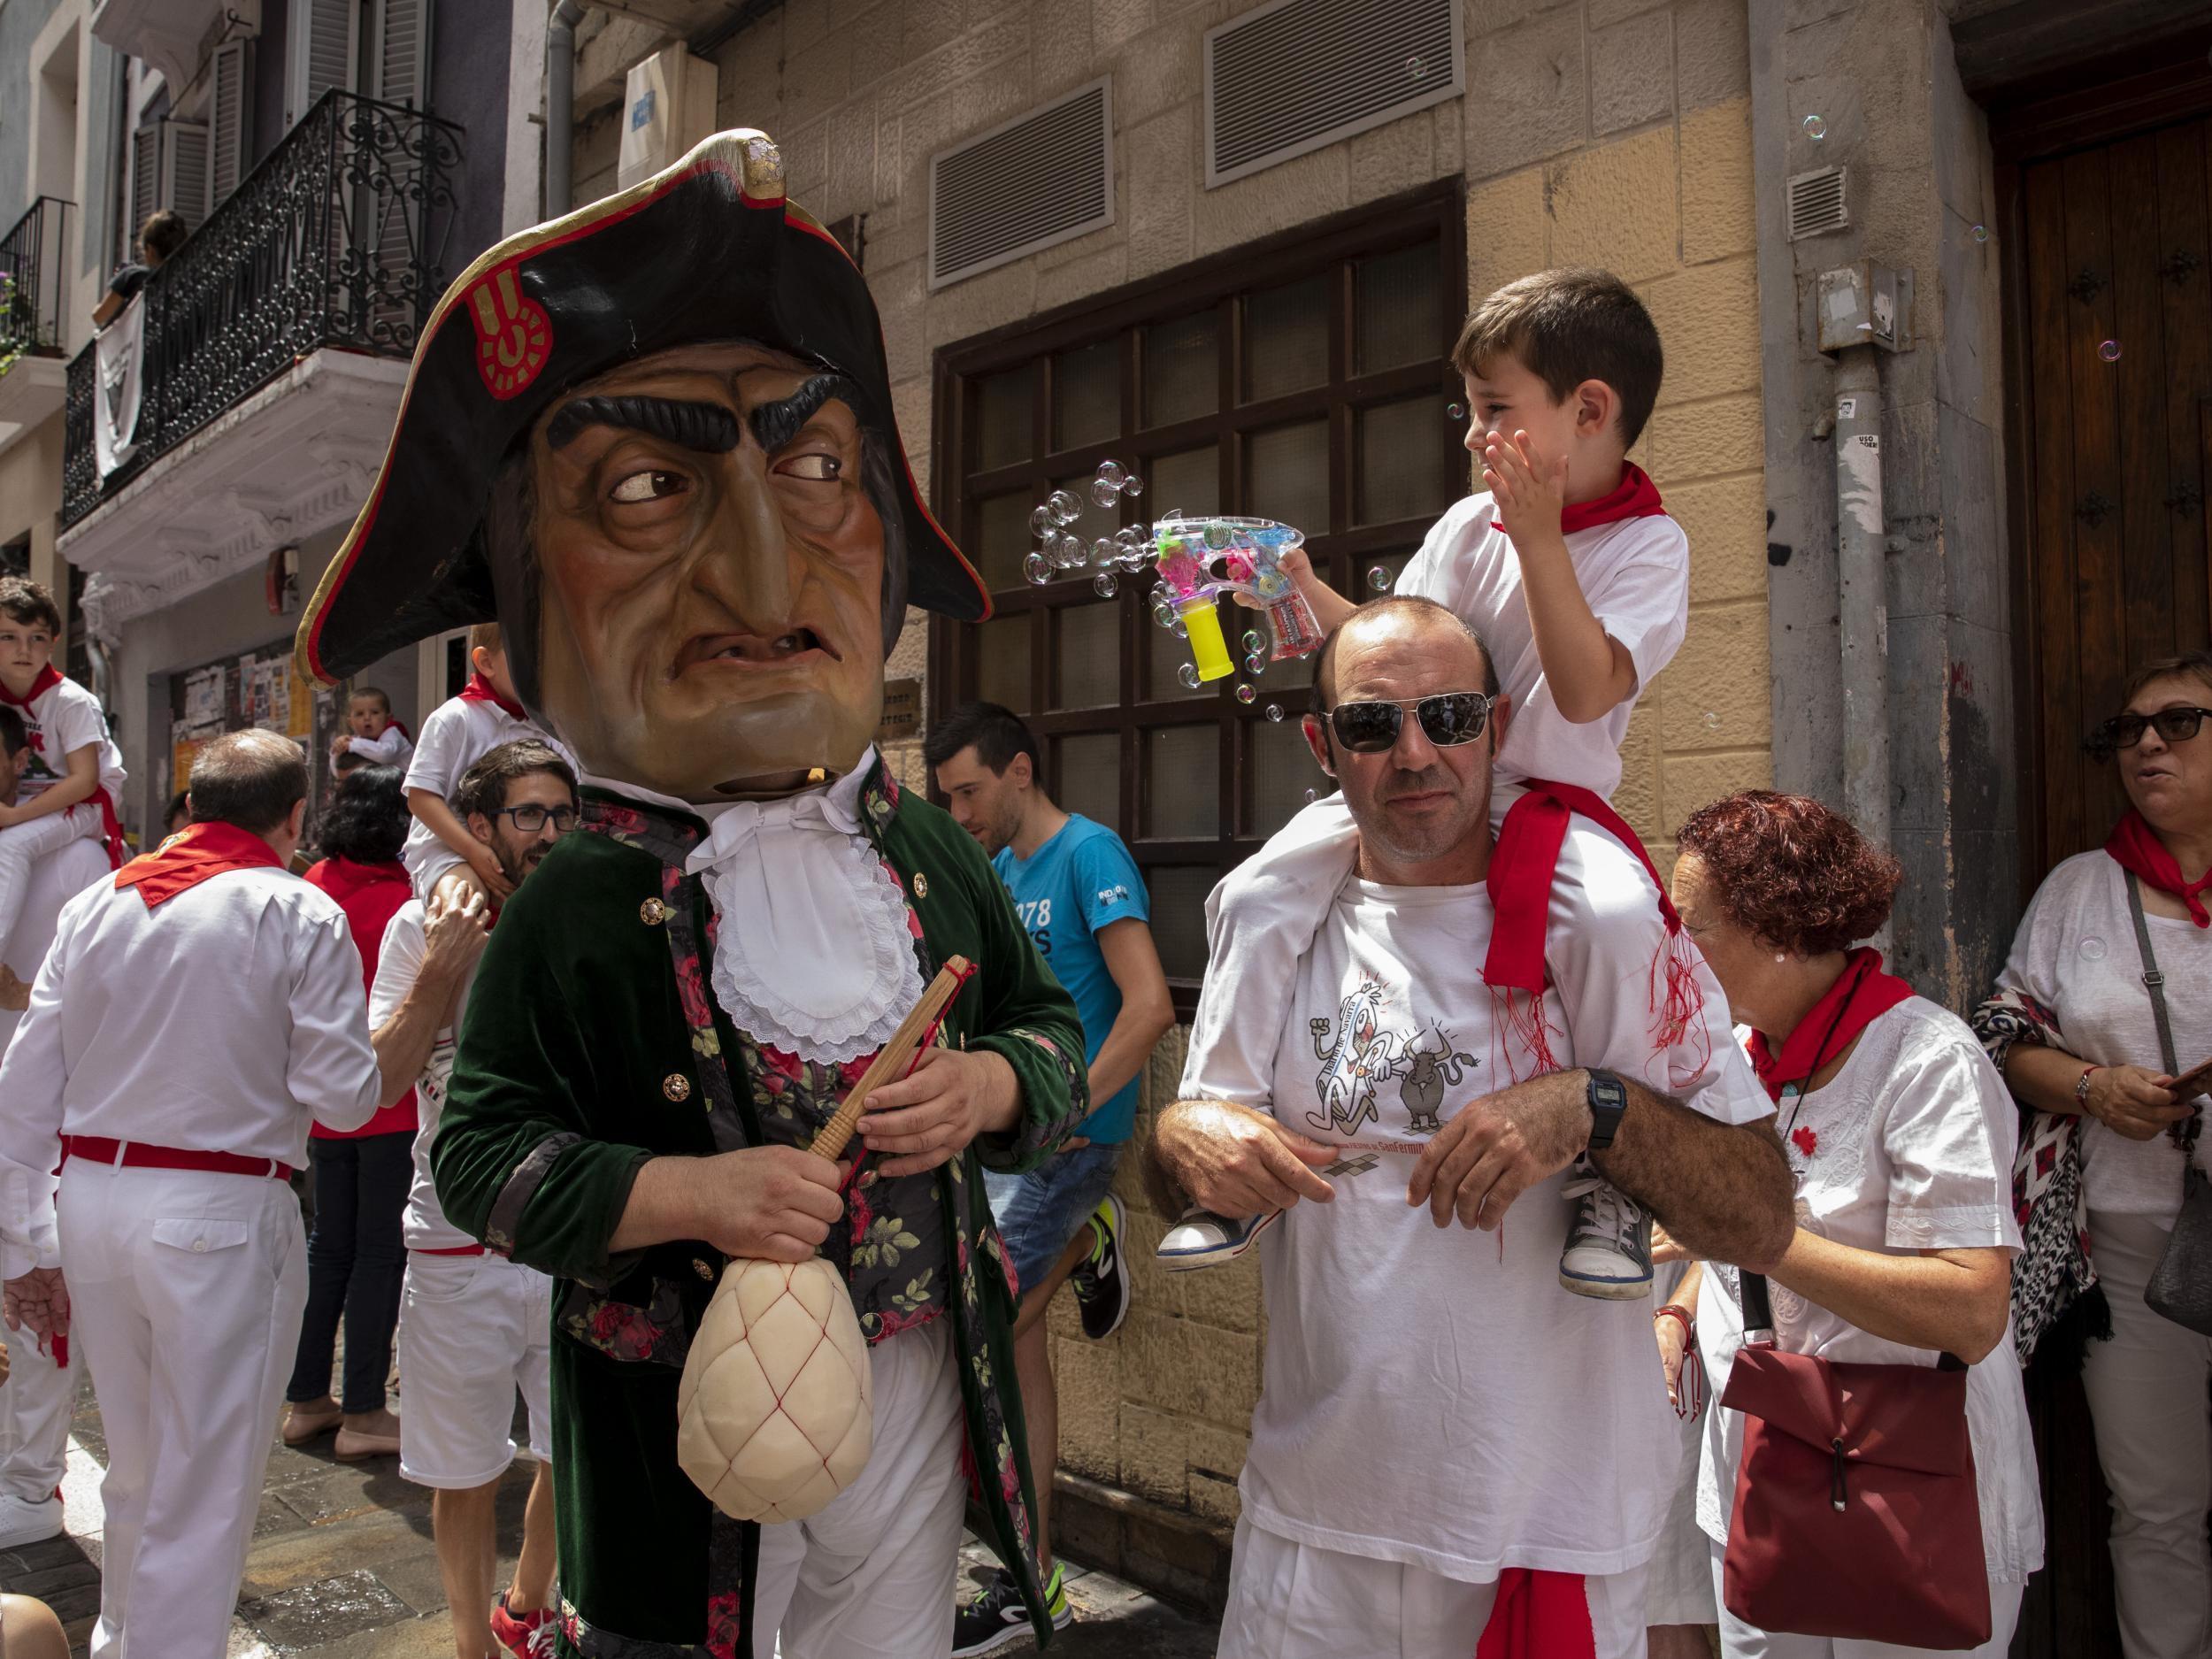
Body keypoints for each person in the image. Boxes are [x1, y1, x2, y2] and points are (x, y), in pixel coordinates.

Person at [294, 129, 1089, 1659]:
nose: (766, 568)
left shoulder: (925, 854)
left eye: (814, 471)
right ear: (518, 619)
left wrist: (992, 1083)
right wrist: (684, 1197)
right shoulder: (580, 898)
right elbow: (481, 1154)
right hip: (683, 1436)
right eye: (651, 487)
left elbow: (1053, 1027)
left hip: (918, 1389)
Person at [1152, 597, 1791, 1659]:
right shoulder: (1278, 915)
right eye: (1371, 725)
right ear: (1323, 746)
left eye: (1447, 717)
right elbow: (1187, 1171)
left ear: (1495, 726)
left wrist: (1595, 1108)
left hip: (1547, 1531)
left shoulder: (1602, 922)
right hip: (1314, 1536)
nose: (1414, 753)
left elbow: (1762, 1215)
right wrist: (1175, 1144)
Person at [1200, 267, 1688, 1302]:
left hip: (1546, 808)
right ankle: (1224, 1134)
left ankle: (1615, 1180)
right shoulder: (1473, 529)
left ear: (1588, 410)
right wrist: (1296, 583)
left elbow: (1587, 685)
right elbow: (1399, 641)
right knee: (1252, 894)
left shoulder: (1652, 546)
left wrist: (1543, 536)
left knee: (1611, 919)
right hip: (1427, 776)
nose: (1471, 437)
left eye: (1493, 411)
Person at [0, 728, 380, 1658]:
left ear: (193, 804)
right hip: (217, 1211)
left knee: (140, 1467)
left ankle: (124, 1638)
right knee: (202, 1492)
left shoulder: (95, 905)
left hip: (92, 1201)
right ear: (295, 818)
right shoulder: (296, 911)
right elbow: (344, 1094)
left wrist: (23, 1244)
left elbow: (22, 1092)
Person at [1665, 790, 2043, 1656]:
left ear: (1780, 933)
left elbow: (1970, 1309)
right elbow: (1753, 1236)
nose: (1673, 951)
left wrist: (1754, 1239)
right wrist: (1683, 1304)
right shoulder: (1737, 1054)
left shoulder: (1926, 1063)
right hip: (1764, 1494)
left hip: (1910, 1501)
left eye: (1694, 927)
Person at [1973, 649, 2212, 1659]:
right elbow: (1998, 1033)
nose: (2147, 744)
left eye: (2179, 722)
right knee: (2154, 1506)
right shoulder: (2081, 890)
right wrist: (2091, 1089)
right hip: (2125, 1240)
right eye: (2129, 730)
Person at [927, 702, 1173, 1655]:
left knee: (983, 1329)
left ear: (1020, 771)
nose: (958, 814)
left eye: (969, 792)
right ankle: (1033, 1580)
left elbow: (1147, 1006)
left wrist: (1064, 1108)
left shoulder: (1089, 855)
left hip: (1069, 1146)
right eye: (944, 798)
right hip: (1002, 1150)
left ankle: (1085, 1235)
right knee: (1014, 1349)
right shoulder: (992, 872)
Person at [372, 741, 573, 1659]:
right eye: (530, 814)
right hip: (453, 1242)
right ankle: (468, 1642)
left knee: (571, 1451)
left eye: (564, 814)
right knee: (461, 1469)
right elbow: (381, 1081)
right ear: (482, 828)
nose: (550, 832)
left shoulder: (596, 919)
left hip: (569, 1232)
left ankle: (526, 1608)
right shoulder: (422, 925)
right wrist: (443, 971)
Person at [281, 764, 418, 1459]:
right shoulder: (409, 895)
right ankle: (365, 1409)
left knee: (327, 1247)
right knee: (378, 1255)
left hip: (323, 1107)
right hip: (391, 1103)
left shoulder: (313, 885)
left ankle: (306, 1397)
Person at [0, 706, 108, 1550]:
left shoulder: (76, 856)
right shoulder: (50, 842)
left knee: (39, 1304)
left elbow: (81, 988)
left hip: (39, 1112)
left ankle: (31, 1482)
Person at [0, 579, 127, 963]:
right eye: (8, 637)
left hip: (85, 805)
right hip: (28, 801)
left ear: (53, 642)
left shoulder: (71, 701)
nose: (24, 650)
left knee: (12, 844)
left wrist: (15, 816)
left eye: (36, 638)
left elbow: (85, 780)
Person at [402, 624, 567, 906]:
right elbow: (420, 797)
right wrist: (473, 850)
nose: (543, 672)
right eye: (530, 661)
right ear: (486, 662)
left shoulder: (553, 727)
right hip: (452, 849)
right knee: (464, 901)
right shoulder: (455, 719)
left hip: (528, 849)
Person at [88, 210, 187, 329]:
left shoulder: (134, 276)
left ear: (150, 250)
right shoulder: (188, 281)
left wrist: (118, 281)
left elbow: (99, 316)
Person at [333, 685, 415, 771]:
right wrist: (339, 748)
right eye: (360, 714)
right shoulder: (357, 741)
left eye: (375, 712)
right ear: (350, 723)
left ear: (388, 719)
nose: (367, 718)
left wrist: (351, 744)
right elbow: (338, 770)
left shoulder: (392, 733)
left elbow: (385, 754)